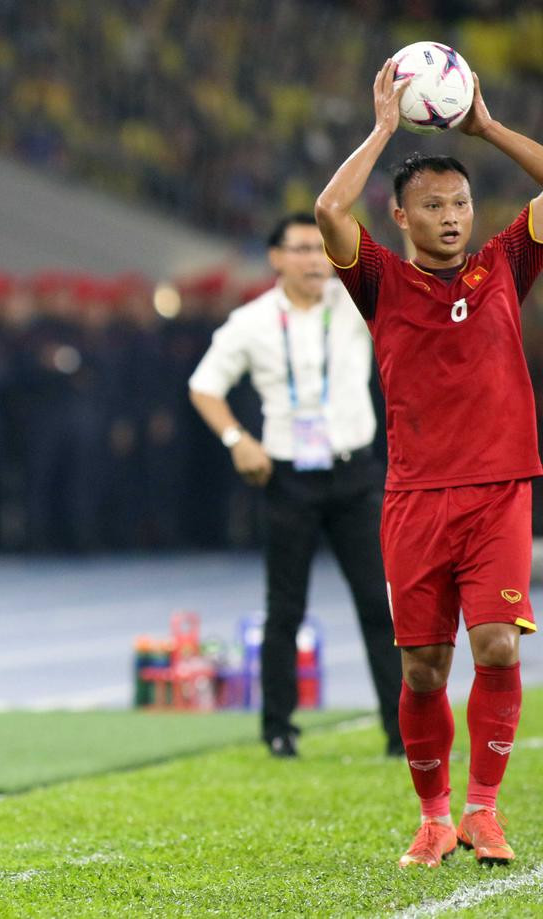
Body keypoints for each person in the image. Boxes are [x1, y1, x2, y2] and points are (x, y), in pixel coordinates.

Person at [315, 63, 543, 868]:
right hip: (415, 497)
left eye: (460, 204)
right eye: (434, 206)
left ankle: (484, 810)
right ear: (402, 215)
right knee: (422, 668)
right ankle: (434, 815)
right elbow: (327, 210)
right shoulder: (379, 280)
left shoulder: (507, 267)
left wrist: (486, 128)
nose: (451, 218)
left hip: (500, 491)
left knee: (499, 650)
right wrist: (383, 129)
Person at [189, 214, 402, 759]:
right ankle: (278, 729)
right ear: (276, 258)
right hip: (287, 477)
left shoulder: (353, 303)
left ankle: (401, 732)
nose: (314, 259)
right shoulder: (252, 321)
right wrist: (238, 439)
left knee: (381, 606)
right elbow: (204, 386)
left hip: (356, 474)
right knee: (285, 608)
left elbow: (405, 273)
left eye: (320, 248)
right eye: (302, 248)